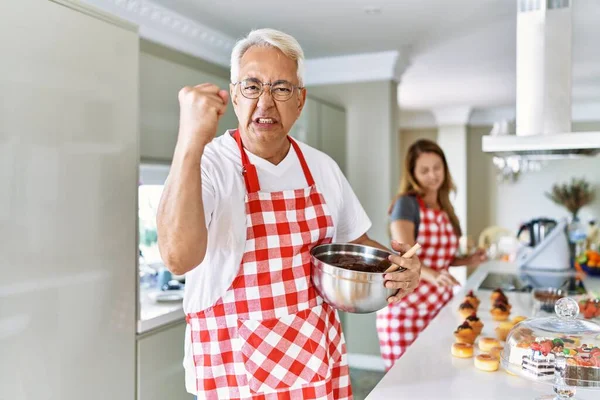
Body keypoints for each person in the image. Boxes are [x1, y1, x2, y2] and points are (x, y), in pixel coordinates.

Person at [156, 28, 422, 400]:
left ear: (300, 100)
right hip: (235, 375)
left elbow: (357, 246)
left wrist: (399, 268)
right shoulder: (207, 164)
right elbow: (177, 258)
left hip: (317, 365)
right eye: (252, 86)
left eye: (281, 89)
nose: (265, 102)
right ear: (234, 94)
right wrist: (189, 142)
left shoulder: (321, 168)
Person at [376, 139, 486, 370]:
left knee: (438, 377)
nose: (432, 175)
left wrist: (469, 260)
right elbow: (406, 256)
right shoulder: (406, 204)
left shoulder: (446, 208)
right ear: (413, 174)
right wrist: (434, 276)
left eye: (437, 168)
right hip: (405, 309)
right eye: (424, 170)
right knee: (405, 384)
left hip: (439, 307)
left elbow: (442, 259)